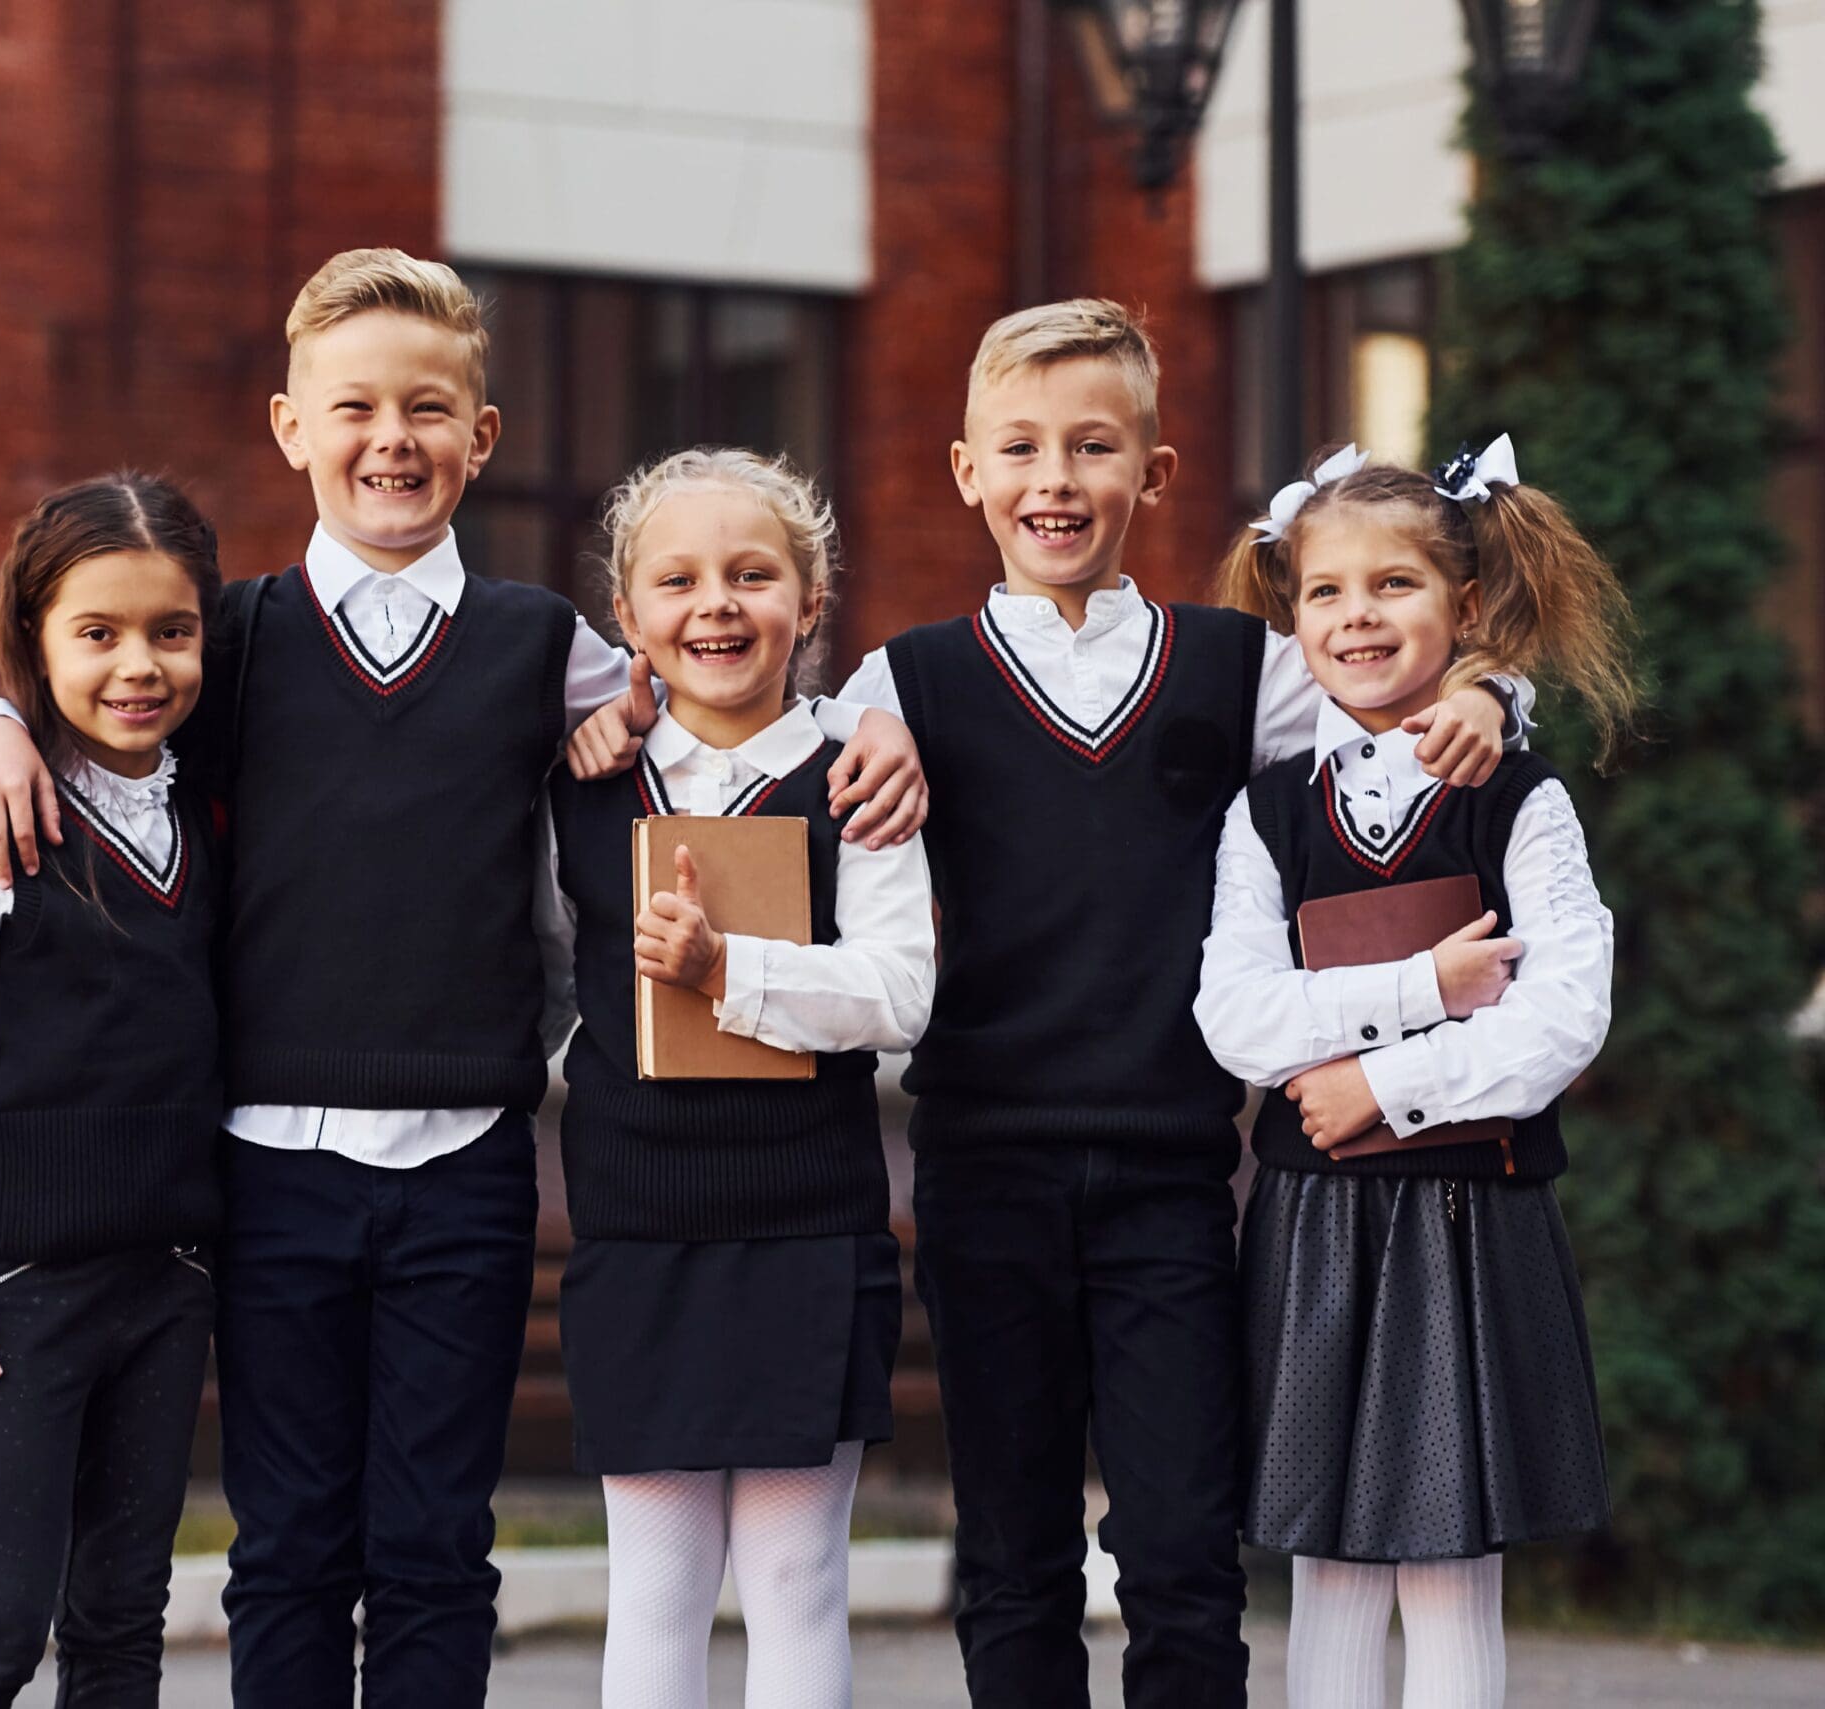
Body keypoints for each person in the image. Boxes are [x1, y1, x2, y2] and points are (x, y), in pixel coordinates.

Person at [0, 248, 930, 1707]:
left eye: (427, 409)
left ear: (484, 436)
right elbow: (100, 703)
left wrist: (884, 719)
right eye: (355, 408)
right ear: (292, 428)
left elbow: (720, 686)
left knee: (434, 1551)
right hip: (267, 1171)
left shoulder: (546, 649)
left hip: (465, 1168)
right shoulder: (238, 642)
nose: (390, 438)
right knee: (286, 1550)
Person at [565, 298, 1529, 1708]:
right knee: (1010, 1555)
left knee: (1183, 1552)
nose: (1056, 480)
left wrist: (1497, 691)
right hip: (983, 1167)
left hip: (1173, 1173)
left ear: (1156, 473)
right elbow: (757, 725)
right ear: (967, 473)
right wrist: (640, 703)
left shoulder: (1242, 669)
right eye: (1019, 448)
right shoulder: (906, 684)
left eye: (1093, 447)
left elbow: (1396, 699)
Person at [1196, 436, 1636, 1709]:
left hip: (1468, 1216)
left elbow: (1564, 1017)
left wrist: (1378, 1088)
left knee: (1448, 1567)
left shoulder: (1520, 798)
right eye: (1326, 591)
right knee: (1327, 1564)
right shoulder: (1268, 810)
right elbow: (1237, 1014)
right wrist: (1418, 992)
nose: (1357, 616)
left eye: (1394, 585)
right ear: (1293, 614)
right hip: (1316, 1220)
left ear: (1464, 607)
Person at [541, 449, 935, 1708]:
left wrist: (732, 971)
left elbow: (898, 989)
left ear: (810, 604)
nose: (717, 603)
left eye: (753, 575)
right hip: (636, 1219)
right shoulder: (579, 784)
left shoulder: (863, 779)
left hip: (805, 1221)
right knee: (654, 1583)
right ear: (629, 613)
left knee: (796, 1574)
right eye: (680, 579)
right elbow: (543, 968)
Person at [0, 472, 228, 1708]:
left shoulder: (211, 813)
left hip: (168, 1281)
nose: (139, 665)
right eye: (98, 633)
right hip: (16, 1296)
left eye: (170, 632)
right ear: (35, 638)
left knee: (123, 1619)